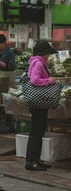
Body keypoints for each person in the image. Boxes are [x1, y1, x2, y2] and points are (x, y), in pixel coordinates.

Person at [25, 40, 59, 171]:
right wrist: (49, 81)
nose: (49, 56)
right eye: (48, 54)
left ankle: (36, 159)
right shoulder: (39, 63)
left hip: (39, 103)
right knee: (36, 132)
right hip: (38, 103)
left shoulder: (37, 62)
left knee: (38, 131)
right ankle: (31, 161)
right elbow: (34, 80)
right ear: (44, 53)